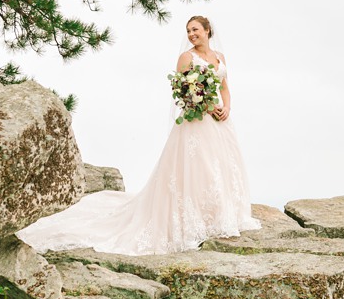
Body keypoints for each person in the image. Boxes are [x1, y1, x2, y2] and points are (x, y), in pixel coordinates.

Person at [22, 15, 258, 256]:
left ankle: (217, 217)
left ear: (208, 31)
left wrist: (226, 107)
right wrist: (206, 107)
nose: (191, 34)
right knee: (197, 168)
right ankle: (191, 221)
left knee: (219, 167)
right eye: (188, 31)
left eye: (195, 29)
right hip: (196, 121)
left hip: (219, 121)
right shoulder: (187, 58)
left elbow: (225, 88)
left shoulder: (220, 57)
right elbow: (183, 91)